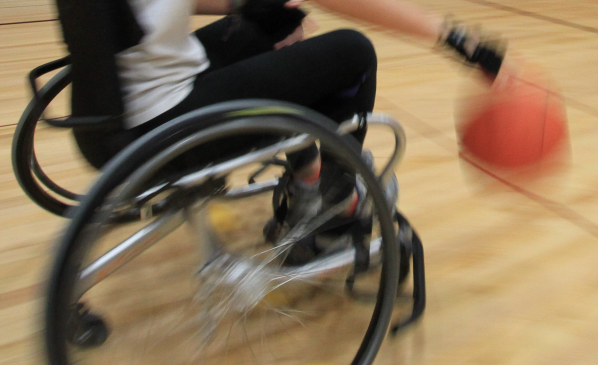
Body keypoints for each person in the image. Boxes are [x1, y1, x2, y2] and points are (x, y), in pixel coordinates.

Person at [67, 0, 504, 260]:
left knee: (273, 22)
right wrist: (457, 40)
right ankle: (334, 205)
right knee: (353, 52)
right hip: (162, 119)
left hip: (114, 114)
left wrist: (244, 5)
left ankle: (306, 176)